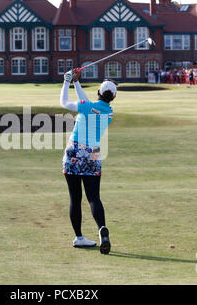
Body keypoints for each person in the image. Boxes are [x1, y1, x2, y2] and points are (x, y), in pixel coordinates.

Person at [60, 69, 116, 255]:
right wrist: (77, 82)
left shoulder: (86, 106)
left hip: (74, 152)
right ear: (112, 98)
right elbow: (90, 104)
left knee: (75, 198)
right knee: (93, 197)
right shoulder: (109, 112)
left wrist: (67, 81)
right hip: (92, 155)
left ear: (98, 92)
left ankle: (79, 237)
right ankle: (102, 229)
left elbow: (64, 103)